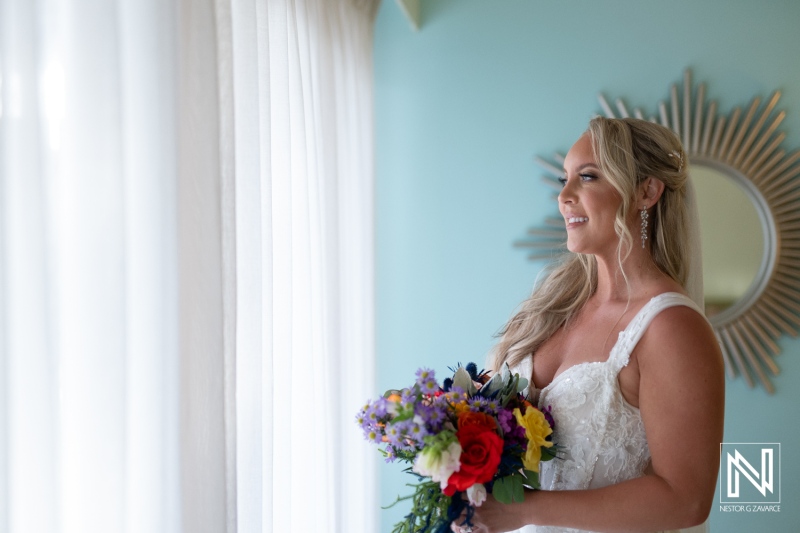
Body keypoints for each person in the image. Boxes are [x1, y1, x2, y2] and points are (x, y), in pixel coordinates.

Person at [453, 117, 725, 533]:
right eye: (565, 179)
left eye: (588, 177)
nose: (564, 196)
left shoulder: (671, 328)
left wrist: (524, 511)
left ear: (646, 192)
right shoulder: (551, 307)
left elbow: (685, 500)